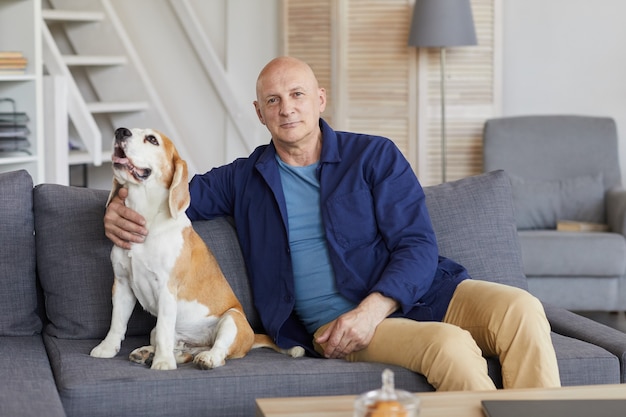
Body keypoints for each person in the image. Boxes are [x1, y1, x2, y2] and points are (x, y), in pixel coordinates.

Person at [104, 56, 561, 391]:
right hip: (337, 327)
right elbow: (165, 187)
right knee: (451, 346)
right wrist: (116, 204)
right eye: (273, 100)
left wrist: (373, 309)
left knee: (521, 308)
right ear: (260, 112)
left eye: (298, 95)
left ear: (320, 99)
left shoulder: (374, 155)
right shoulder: (243, 178)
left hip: (426, 292)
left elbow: (417, 244)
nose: (287, 108)